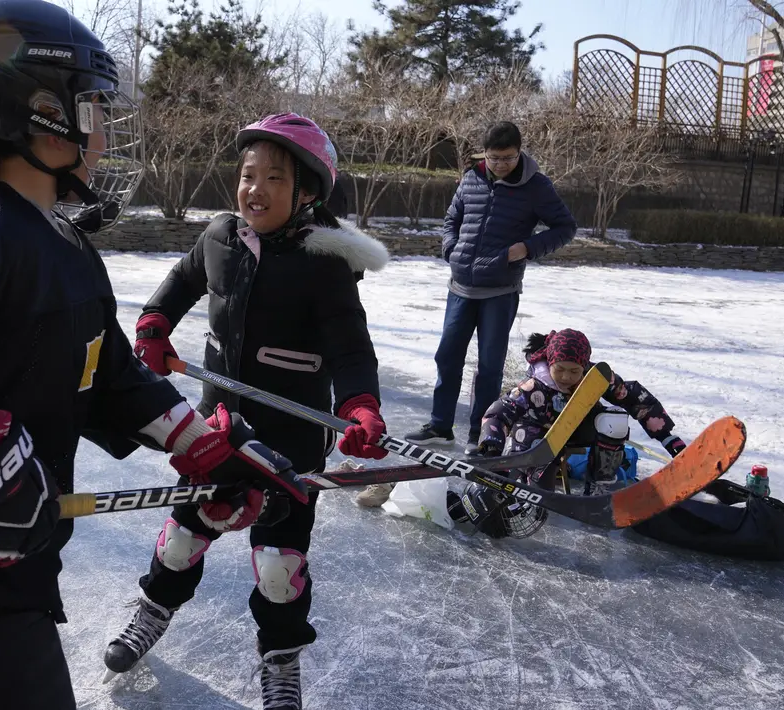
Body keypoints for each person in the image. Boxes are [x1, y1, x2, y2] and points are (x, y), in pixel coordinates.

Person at [0, 3, 306, 708]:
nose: (104, 126)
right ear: (38, 110)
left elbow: (107, 373)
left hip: (0, 556)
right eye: (92, 103)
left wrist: (202, 447)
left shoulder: (64, 244)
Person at [102, 113, 390, 709]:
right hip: (214, 435)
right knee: (182, 540)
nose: (254, 189)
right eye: (247, 175)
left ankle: (280, 659)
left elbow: (350, 347)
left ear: (306, 191)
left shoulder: (325, 264)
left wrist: (361, 407)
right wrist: (155, 324)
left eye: (273, 178)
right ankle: (154, 609)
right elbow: (182, 281)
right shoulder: (220, 236)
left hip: (291, 443)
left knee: (280, 569)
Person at [406, 122, 577, 455]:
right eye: (494, 157)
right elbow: (452, 218)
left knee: (489, 366)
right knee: (447, 356)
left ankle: (479, 434)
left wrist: (525, 249)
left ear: (519, 152)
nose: (500, 164)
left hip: (500, 290)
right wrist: (450, 248)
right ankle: (440, 426)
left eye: (508, 158)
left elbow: (565, 227)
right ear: (484, 153)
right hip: (460, 285)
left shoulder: (536, 186)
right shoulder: (472, 177)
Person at [446, 329, 687, 539]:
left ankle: (599, 483)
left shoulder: (595, 378)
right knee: (542, 498)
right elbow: (499, 412)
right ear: (550, 362)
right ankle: (518, 492)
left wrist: (668, 438)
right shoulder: (534, 385)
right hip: (536, 435)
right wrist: (492, 445)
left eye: (575, 371)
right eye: (560, 369)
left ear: (585, 366)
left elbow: (634, 397)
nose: (566, 377)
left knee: (613, 420)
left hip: (578, 429)